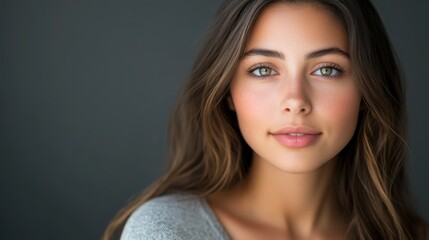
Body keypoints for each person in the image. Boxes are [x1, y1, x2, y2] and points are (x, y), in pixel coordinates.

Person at [104, 0, 428, 239]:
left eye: (327, 69)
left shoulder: (410, 234)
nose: (296, 102)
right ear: (228, 91)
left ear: (367, 90)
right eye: (263, 70)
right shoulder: (169, 231)